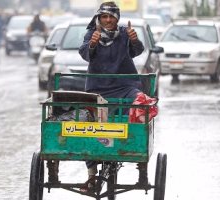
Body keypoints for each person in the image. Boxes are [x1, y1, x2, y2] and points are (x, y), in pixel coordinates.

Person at [78, 1, 144, 190]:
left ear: (117, 19)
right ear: (99, 18)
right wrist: (91, 44)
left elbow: (137, 51)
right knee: (88, 121)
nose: (108, 20)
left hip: (124, 85)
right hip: (97, 87)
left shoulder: (124, 33)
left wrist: (134, 40)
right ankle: (91, 175)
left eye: (111, 17)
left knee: (141, 103)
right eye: (104, 16)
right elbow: (84, 54)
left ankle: (136, 148)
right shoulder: (92, 33)